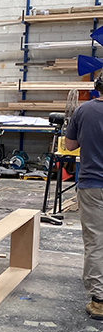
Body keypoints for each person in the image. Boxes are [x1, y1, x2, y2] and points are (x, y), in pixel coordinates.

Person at [65, 78, 103, 319]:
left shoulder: (84, 110)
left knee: (96, 242)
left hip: (92, 185)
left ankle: (99, 300)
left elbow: (69, 146)